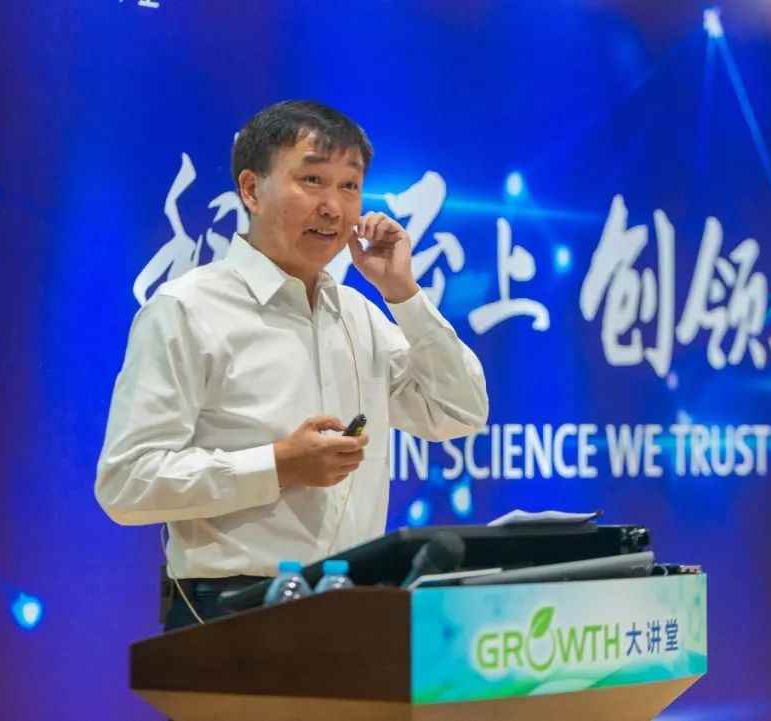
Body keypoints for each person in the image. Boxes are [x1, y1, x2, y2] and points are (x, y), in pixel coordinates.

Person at [95, 100, 489, 630]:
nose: (333, 207)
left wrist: (403, 292)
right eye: (312, 180)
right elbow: (126, 484)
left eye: (349, 186)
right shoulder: (186, 310)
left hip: (353, 603)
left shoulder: (359, 314)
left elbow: (459, 412)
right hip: (230, 613)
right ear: (251, 189)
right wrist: (278, 465)